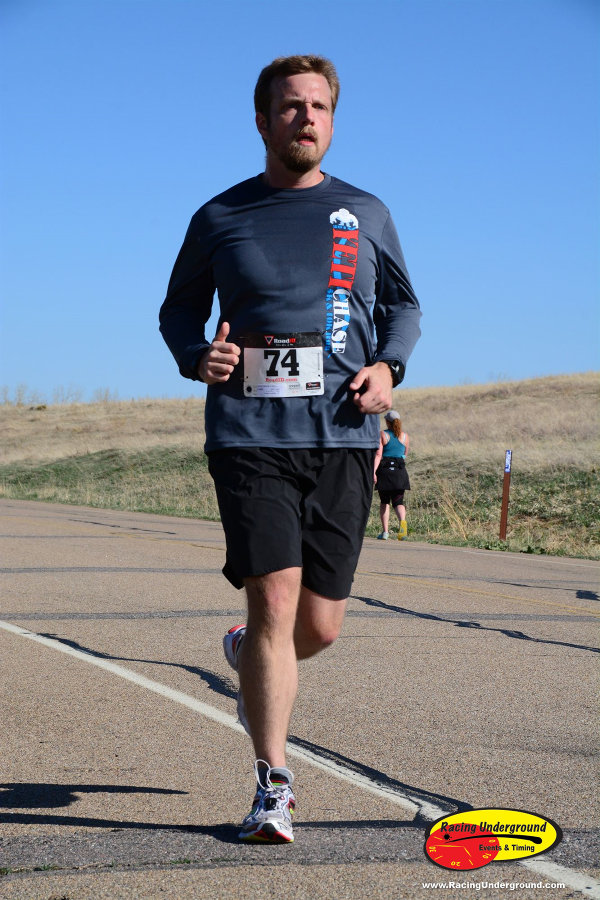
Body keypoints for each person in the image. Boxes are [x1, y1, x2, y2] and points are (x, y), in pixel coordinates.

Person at [159, 54, 421, 844]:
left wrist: (388, 368)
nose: (305, 117)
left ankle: (247, 653)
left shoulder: (366, 214)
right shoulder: (220, 217)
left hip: (343, 435)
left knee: (321, 626)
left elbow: (404, 306)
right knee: (273, 601)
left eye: (318, 106)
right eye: (290, 106)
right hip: (249, 436)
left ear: (331, 119)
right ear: (263, 120)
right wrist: (194, 355)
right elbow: (177, 312)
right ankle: (273, 784)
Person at [374, 410, 411, 540]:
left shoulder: (383, 435)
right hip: (400, 471)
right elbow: (404, 454)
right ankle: (403, 524)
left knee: (385, 501)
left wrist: (373, 472)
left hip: (385, 471)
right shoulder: (405, 436)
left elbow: (378, 454)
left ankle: (385, 532)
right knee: (398, 501)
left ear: (387, 422)